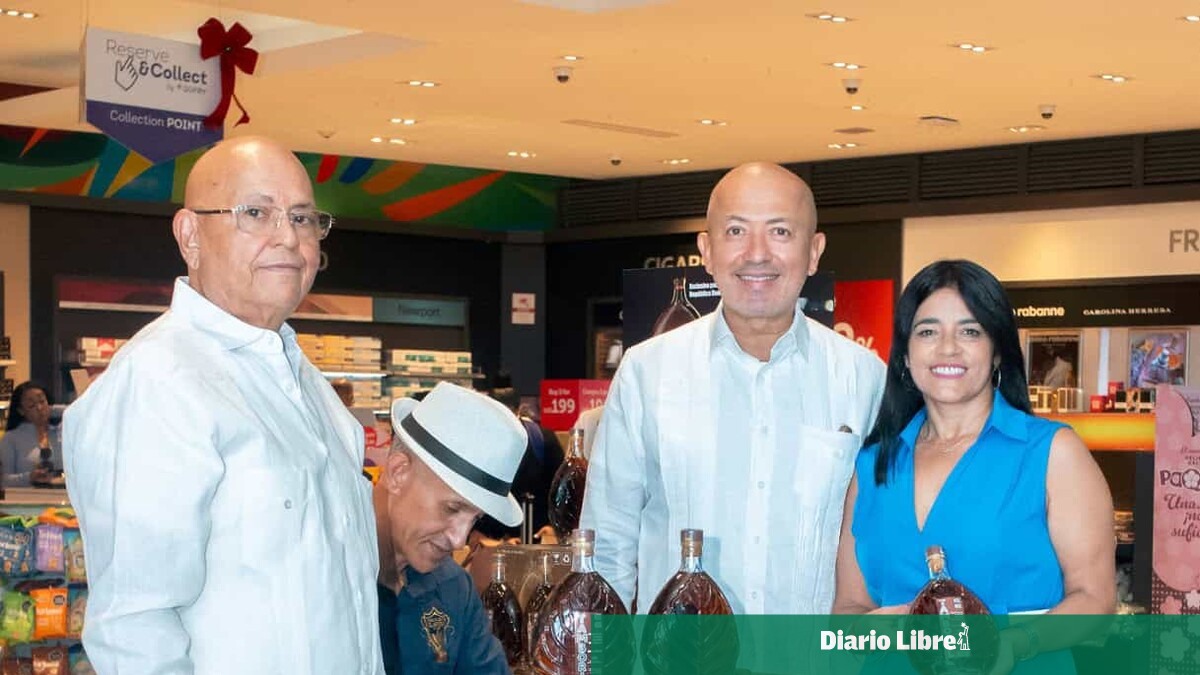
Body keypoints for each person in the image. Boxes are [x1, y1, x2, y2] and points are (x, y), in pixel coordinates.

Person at [63, 137, 384, 674]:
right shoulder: (160, 381)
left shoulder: (308, 386)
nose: (288, 237)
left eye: (303, 218)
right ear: (190, 235)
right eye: (256, 213)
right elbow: (135, 627)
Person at [580, 162, 886, 614]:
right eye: (736, 231)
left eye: (780, 232)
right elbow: (607, 546)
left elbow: (878, 545)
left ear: (814, 251)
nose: (757, 254)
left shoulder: (864, 379)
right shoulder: (646, 372)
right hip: (675, 652)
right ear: (707, 250)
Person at [833, 260, 1115, 671]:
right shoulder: (875, 465)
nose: (948, 348)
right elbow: (847, 612)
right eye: (927, 332)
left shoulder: (1052, 452)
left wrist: (1017, 644)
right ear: (905, 355)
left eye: (970, 331)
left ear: (997, 350)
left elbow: (1096, 599)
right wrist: (875, 630)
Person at [375, 382, 527, 674]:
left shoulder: (453, 588)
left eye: (475, 519)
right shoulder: (321, 571)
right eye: (452, 508)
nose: (459, 540)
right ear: (398, 473)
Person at [473, 378, 564, 542]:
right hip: (490, 538)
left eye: (507, 417)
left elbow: (561, 490)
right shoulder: (476, 444)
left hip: (534, 534)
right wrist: (474, 532)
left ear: (517, 412)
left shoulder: (542, 440)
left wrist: (554, 526)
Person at [1, 381, 62, 487]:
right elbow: (3, 480)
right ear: (21, 410)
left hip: (60, 494)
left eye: (42, 401)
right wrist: (29, 477)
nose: (39, 408)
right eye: (31, 405)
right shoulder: (11, 438)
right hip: (27, 495)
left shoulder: (59, 432)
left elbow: (79, 412)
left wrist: (54, 410)